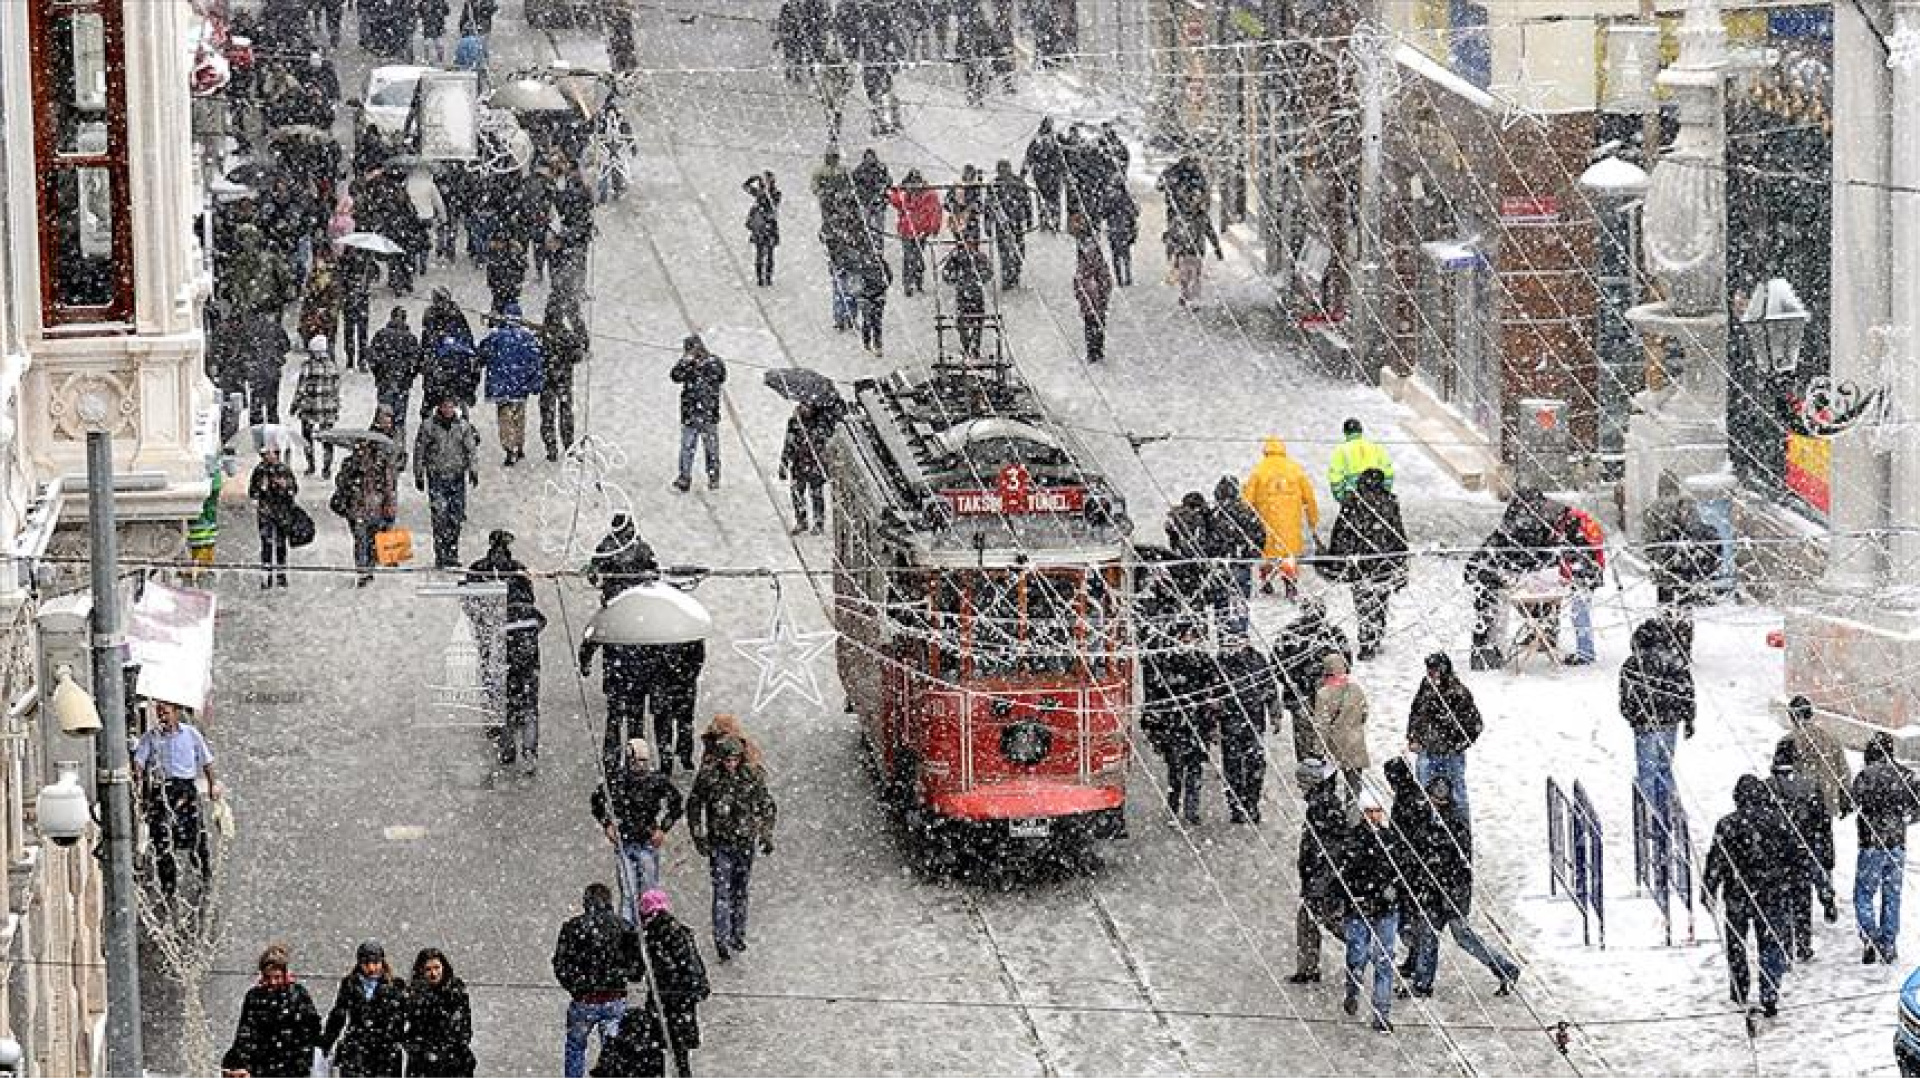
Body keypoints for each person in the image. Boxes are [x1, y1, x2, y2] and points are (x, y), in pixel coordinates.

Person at [1390, 763, 1521, 998]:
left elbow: (1459, 863)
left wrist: (1448, 885)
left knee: (1462, 936)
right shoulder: (1425, 819)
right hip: (1433, 890)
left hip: (1450, 891)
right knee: (1429, 935)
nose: (1436, 802)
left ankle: (1505, 968)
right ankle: (1423, 983)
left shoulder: (1454, 824)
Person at [1704, 775, 1795, 1014]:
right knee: (1770, 944)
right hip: (1772, 892)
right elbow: (1793, 857)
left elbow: (1716, 859)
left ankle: (1740, 988)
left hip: (1738, 893)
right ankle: (1770, 991)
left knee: (1737, 943)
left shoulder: (1727, 824)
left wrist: (1709, 888)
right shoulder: (1779, 821)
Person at [685, 737, 778, 961]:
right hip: (720, 843)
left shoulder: (752, 776)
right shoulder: (709, 777)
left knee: (740, 890)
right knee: (722, 891)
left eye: (734, 759)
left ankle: (737, 934)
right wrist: (698, 836)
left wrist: (766, 834)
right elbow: (694, 805)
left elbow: (767, 805)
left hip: (744, 842)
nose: (731, 763)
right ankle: (722, 938)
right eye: (727, 759)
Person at [1619, 615, 1695, 861]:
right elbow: (1687, 692)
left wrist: (1635, 718)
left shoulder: (1632, 665)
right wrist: (1688, 719)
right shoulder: (1676, 663)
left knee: (1647, 773)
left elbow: (1625, 700)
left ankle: (1652, 819)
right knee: (1664, 769)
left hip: (1645, 727)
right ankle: (1671, 812)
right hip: (1670, 724)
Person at [592, 738, 686, 923]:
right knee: (628, 895)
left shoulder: (657, 781)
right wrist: (607, 824)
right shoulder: (616, 780)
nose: (641, 766)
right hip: (624, 842)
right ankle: (628, 934)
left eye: (644, 761)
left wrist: (663, 828)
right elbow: (597, 802)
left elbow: (676, 804)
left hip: (647, 842)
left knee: (649, 894)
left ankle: (648, 931)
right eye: (637, 761)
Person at [131, 699, 219, 896]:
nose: (162, 717)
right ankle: (167, 886)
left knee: (196, 834)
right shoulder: (151, 737)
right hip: (162, 789)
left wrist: (213, 784)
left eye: (166, 712)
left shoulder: (191, 734)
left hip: (185, 788)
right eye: (159, 713)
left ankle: (204, 876)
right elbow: (139, 762)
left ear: (176, 712)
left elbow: (207, 761)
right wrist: (137, 777)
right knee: (161, 837)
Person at [1323, 468, 1408, 660]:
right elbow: (1398, 534)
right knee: (1380, 601)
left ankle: (1367, 640)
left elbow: (1341, 533)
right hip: (1383, 564)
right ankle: (1375, 635)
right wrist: (1400, 560)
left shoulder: (1352, 503)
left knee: (1363, 603)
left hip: (1359, 564)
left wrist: (1336, 558)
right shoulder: (1389, 503)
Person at [552, 883, 636, 1078]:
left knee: (575, 1047)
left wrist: (575, 986)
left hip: (584, 1000)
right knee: (614, 1050)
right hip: (614, 997)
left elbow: (560, 963)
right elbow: (635, 966)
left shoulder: (573, 927)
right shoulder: (623, 927)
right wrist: (621, 977)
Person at [1338, 788, 1404, 1032]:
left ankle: (1381, 1013)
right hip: (1360, 908)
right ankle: (1353, 990)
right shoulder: (1352, 840)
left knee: (1384, 961)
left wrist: (1394, 891)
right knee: (1357, 957)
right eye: (1370, 812)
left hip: (1384, 909)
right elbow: (1344, 876)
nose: (1375, 816)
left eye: (1378, 811)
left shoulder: (1391, 841)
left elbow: (1401, 874)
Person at [1852, 732, 1920, 964]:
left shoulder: (1864, 776)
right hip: (1897, 844)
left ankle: (1870, 935)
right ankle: (1889, 943)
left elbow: (1854, 802)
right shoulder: (1907, 776)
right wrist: (1907, 819)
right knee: (1892, 895)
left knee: (1864, 893)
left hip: (1871, 843)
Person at [1767, 737, 1835, 961]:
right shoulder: (1811, 784)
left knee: (1781, 899)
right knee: (1802, 898)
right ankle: (1803, 943)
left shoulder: (1768, 786)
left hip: (1778, 853)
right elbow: (1823, 823)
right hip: (1804, 849)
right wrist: (1825, 851)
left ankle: (1785, 943)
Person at [1142, 621, 1213, 826]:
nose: (1189, 640)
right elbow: (1156, 692)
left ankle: (1191, 809)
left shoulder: (1202, 660)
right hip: (1175, 726)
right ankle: (1173, 808)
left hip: (1196, 724)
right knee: (1175, 770)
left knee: (1194, 769)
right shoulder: (1166, 661)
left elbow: (1211, 685)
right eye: (1186, 636)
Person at [634, 890, 710, 1079]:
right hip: (682, 1002)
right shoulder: (680, 931)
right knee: (680, 1055)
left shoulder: (651, 936)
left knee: (657, 1049)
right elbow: (693, 966)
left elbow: (638, 970)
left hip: (666, 1000)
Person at [1289, 760, 1352, 983]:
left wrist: (1319, 878)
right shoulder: (1322, 803)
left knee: (1330, 921)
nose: (1299, 787)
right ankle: (1308, 968)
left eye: (1301, 782)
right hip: (1321, 876)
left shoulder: (1322, 807)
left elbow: (1328, 847)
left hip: (1323, 878)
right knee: (1309, 920)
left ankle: (1370, 950)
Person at [222, 944, 324, 1078]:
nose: (273, 982)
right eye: (268, 977)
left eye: (277, 977)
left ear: (284, 974)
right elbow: (246, 1031)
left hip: (291, 1064)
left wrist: (304, 1054)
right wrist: (240, 1059)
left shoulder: (298, 994)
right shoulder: (254, 996)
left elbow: (312, 1027)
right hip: (264, 1064)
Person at [1405, 652, 1482, 822]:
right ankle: (1426, 829)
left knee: (1456, 794)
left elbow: (1474, 725)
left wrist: (1457, 744)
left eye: (1433, 671)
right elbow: (1416, 712)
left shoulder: (1458, 692)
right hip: (1427, 751)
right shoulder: (1426, 686)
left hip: (1451, 754)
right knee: (1424, 793)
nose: (1430, 675)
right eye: (1428, 671)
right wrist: (1413, 737)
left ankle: (1460, 829)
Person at [1272, 598, 1351, 763]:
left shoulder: (1333, 634)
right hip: (1300, 695)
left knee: (1324, 739)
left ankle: (1323, 776)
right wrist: (1298, 679)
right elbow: (1277, 666)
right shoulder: (1289, 635)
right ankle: (1310, 775)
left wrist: (1327, 678)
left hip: (1327, 697)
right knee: (1306, 739)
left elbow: (1346, 665)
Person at [414, 396, 482, 569]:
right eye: (445, 406)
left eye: (451, 406)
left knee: (455, 517)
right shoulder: (428, 426)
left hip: (456, 476)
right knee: (439, 516)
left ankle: (452, 552)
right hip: (436, 476)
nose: (448, 410)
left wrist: (473, 470)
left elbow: (471, 449)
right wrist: (419, 473)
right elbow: (419, 450)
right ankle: (441, 554)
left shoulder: (462, 426)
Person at [320, 942, 407, 1077]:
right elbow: (338, 1015)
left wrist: (398, 1038)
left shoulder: (396, 985)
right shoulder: (350, 983)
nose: (371, 968)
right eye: (366, 963)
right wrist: (327, 1041)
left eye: (375, 962)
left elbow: (402, 1016)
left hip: (385, 1050)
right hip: (356, 1048)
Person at [1214, 641, 1276, 825]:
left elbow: (1269, 685)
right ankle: (1236, 806)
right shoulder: (1221, 661)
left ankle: (1251, 804)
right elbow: (1213, 692)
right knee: (1232, 767)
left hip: (1254, 722)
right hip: (1230, 723)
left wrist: (1275, 713)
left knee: (1255, 766)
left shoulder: (1258, 659)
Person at [479, 302, 544, 467]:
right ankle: (519, 445)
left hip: (500, 386)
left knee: (505, 419)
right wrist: (535, 384)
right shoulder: (528, 338)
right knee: (519, 417)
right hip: (520, 387)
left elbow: (482, 353)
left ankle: (510, 449)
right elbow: (536, 363)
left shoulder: (496, 337)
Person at [1643, 469, 1720, 608]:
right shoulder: (1654, 511)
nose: (1670, 497)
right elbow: (1650, 542)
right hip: (1675, 568)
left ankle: (1675, 624)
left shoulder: (1685, 506)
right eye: (1666, 493)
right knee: (1673, 608)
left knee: (1676, 608)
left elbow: (1697, 532)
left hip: (1679, 567)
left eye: (1672, 492)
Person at [333, 437, 398, 586]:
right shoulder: (349, 464)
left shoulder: (380, 464)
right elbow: (340, 483)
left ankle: (369, 567)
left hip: (376, 508)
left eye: (364, 446)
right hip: (356, 509)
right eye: (358, 447)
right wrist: (351, 476)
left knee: (372, 540)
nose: (361, 450)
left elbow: (388, 486)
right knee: (360, 540)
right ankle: (363, 570)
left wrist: (389, 504)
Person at [401, 948, 474, 1077]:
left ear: (443, 967)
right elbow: (408, 1030)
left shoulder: (456, 993)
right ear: (421, 971)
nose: (433, 973)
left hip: (454, 1065)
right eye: (428, 969)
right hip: (422, 1065)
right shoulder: (414, 996)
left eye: (436, 967)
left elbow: (464, 1030)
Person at [671, 336, 727, 492]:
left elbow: (722, 376)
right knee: (687, 447)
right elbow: (675, 376)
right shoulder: (686, 365)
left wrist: (701, 367)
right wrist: (685, 363)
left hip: (708, 414)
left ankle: (713, 476)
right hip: (690, 413)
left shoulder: (714, 363)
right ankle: (684, 477)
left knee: (711, 448)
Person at [1785, 694, 1853, 821]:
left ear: (1792, 716)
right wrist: (1845, 798)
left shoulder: (1787, 741)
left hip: (1800, 806)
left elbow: (1781, 778)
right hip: (1827, 804)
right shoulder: (1831, 739)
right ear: (1810, 714)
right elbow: (1843, 772)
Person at [1209, 475, 1266, 628]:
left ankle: (1224, 636)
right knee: (1240, 603)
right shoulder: (1246, 511)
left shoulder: (1214, 514)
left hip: (1220, 565)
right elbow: (1260, 534)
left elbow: (1208, 540)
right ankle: (1240, 635)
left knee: (1221, 606)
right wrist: (1251, 555)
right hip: (1241, 564)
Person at [1555, 503, 1607, 665]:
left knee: (1579, 613)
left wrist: (1568, 573)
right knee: (1579, 612)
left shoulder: (1573, 522)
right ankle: (1585, 650)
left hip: (1584, 574)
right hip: (1588, 572)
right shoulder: (1578, 519)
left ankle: (1586, 653)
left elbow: (1571, 552)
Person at [540, 296, 588, 462]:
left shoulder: (541, 335)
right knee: (565, 414)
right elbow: (578, 355)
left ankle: (551, 448)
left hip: (547, 380)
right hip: (564, 381)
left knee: (547, 416)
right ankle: (568, 445)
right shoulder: (567, 336)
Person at [1312, 652, 1368, 791]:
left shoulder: (1324, 693)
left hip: (1333, 747)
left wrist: (1318, 750)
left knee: (1327, 789)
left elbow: (1322, 725)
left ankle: (1332, 811)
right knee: (1354, 790)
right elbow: (1364, 714)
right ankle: (1352, 812)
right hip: (1355, 746)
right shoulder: (1356, 689)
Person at [779, 403, 837, 535]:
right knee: (797, 492)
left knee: (816, 494)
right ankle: (801, 520)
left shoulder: (821, 422)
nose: (806, 409)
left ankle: (818, 522)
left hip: (815, 463)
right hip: (798, 463)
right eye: (803, 405)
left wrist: (814, 436)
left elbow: (825, 440)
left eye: (808, 406)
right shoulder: (795, 421)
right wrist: (784, 463)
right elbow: (788, 443)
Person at [370, 307, 422, 446]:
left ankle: (380, 446)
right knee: (399, 419)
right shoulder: (411, 338)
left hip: (385, 382)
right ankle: (398, 449)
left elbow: (373, 358)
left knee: (383, 416)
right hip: (402, 385)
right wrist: (408, 376)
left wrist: (380, 374)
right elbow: (417, 362)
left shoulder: (381, 335)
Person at [291, 335, 342, 478]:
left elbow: (301, 388)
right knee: (328, 438)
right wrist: (336, 405)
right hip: (328, 409)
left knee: (307, 437)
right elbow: (336, 388)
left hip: (310, 407)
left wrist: (295, 405)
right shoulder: (333, 366)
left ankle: (311, 465)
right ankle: (327, 468)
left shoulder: (308, 366)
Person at [249, 446, 300, 589]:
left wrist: (285, 486)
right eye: (264, 454)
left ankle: (281, 575)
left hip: (282, 512)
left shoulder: (284, 470)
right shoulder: (259, 470)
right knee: (266, 545)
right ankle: (267, 576)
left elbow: (294, 489)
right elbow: (252, 493)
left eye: (269, 454)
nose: (267, 457)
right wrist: (261, 488)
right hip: (265, 513)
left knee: (281, 545)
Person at [887, 171, 942, 296]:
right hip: (908, 231)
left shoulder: (928, 195)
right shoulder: (906, 195)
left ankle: (916, 281)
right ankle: (910, 283)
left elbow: (935, 212)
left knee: (916, 257)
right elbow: (894, 199)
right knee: (910, 257)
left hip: (920, 231)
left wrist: (932, 228)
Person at [1069, 211, 1112, 364]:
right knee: (1095, 322)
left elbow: (1092, 273)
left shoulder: (1088, 249)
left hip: (1093, 295)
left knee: (1092, 323)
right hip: (1094, 295)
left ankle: (1094, 353)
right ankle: (1096, 352)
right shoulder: (1088, 247)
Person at [941, 238, 993, 359]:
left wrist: (977, 279)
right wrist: (959, 279)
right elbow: (946, 274)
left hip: (975, 294)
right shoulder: (957, 258)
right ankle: (968, 346)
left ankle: (973, 348)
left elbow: (988, 272)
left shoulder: (978, 257)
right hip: (965, 294)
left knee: (976, 321)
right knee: (964, 322)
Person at [1326, 418, 1394, 505]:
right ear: (1361, 431)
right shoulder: (1375, 447)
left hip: (1353, 496)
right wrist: (1385, 491)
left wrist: (1340, 497)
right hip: (1375, 494)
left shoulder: (1341, 450)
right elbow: (1388, 471)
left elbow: (1335, 477)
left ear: (1345, 432)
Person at [988, 159, 1031, 289]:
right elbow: (989, 206)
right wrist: (988, 224)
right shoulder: (994, 185)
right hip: (1002, 223)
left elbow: (1027, 202)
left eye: (1005, 168)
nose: (1003, 172)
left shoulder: (1018, 182)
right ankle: (1007, 278)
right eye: (1000, 169)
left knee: (1019, 251)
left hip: (1016, 221)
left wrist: (1029, 220)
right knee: (1004, 253)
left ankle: (1015, 274)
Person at [1022, 117, 1065, 232]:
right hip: (1044, 175)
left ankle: (1053, 222)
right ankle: (1047, 222)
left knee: (1050, 199)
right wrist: (1023, 173)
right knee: (1045, 199)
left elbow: (1062, 158)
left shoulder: (1054, 139)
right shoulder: (1039, 139)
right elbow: (1029, 157)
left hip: (1051, 174)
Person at [744, 172, 782, 286]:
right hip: (761, 226)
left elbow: (774, 204)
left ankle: (768, 277)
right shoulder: (760, 193)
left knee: (769, 253)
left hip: (768, 226)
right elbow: (745, 187)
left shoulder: (775, 194)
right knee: (760, 252)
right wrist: (753, 179)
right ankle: (760, 277)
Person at [853, 248, 892, 355]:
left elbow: (856, 280)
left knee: (869, 320)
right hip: (875, 296)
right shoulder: (881, 263)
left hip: (868, 296)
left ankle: (869, 343)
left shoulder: (861, 264)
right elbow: (889, 277)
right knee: (876, 321)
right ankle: (875, 344)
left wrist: (860, 293)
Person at [851, 148, 893, 242]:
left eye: (871, 157)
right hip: (866, 202)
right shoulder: (859, 170)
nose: (869, 160)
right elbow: (854, 184)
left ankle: (878, 245)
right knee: (865, 226)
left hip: (879, 203)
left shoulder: (881, 168)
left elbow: (888, 181)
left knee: (878, 228)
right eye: (867, 157)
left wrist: (881, 190)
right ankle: (867, 244)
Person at [1105, 179, 1138, 287]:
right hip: (1125, 230)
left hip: (1114, 230)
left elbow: (1103, 213)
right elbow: (1135, 213)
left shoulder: (1110, 199)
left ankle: (1120, 279)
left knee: (1116, 256)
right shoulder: (1126, 199)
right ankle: (1128, 277)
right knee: (1126, 255)